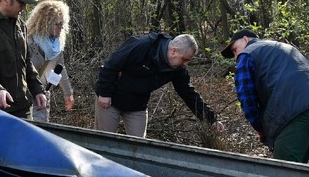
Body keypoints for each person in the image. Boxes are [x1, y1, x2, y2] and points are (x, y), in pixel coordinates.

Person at [221, 28, 309, 163]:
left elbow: (247, 99)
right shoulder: (283, 47)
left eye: (235, 50)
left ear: (245, 39)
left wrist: (261, 129)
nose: (235, 56)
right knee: (300, 168)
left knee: (284, 170)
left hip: (295, 113)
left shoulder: (247, 54)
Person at [95, 32, 224, 137]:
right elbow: (110, 66)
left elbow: (188, 93)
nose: (186, 64)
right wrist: (104, 93)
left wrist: (211, 119)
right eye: (184, 59)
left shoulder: (178, 69)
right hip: (111, 99)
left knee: (139, 147)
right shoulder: (142, 45)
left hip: (137, 106)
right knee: (104, 142)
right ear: (173, 51)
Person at [25, 0, 74, 122]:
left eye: (63, 24)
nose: (61, 28)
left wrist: (68, 93)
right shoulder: (28, 41)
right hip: (26, 94)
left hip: (43, 94)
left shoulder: (57, 45)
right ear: (45, 23)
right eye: (58, 24)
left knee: (41, 127)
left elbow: (60, 67)